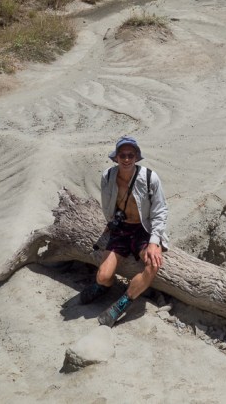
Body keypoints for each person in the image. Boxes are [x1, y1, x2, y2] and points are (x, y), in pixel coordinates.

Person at [80, 136, 168, 327]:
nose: (126, 159)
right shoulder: (108, 176)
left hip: (143, 229)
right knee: (103, 276)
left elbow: (160, 210)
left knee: (153, 264)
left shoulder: (149, 178)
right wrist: (111, 222)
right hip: (121, 229)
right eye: (122, 155)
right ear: (116, 157)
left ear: (136, 157)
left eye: (131, 155)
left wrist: (154, 241)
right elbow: (107, 204)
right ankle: (103, 287)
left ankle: (123, 303)